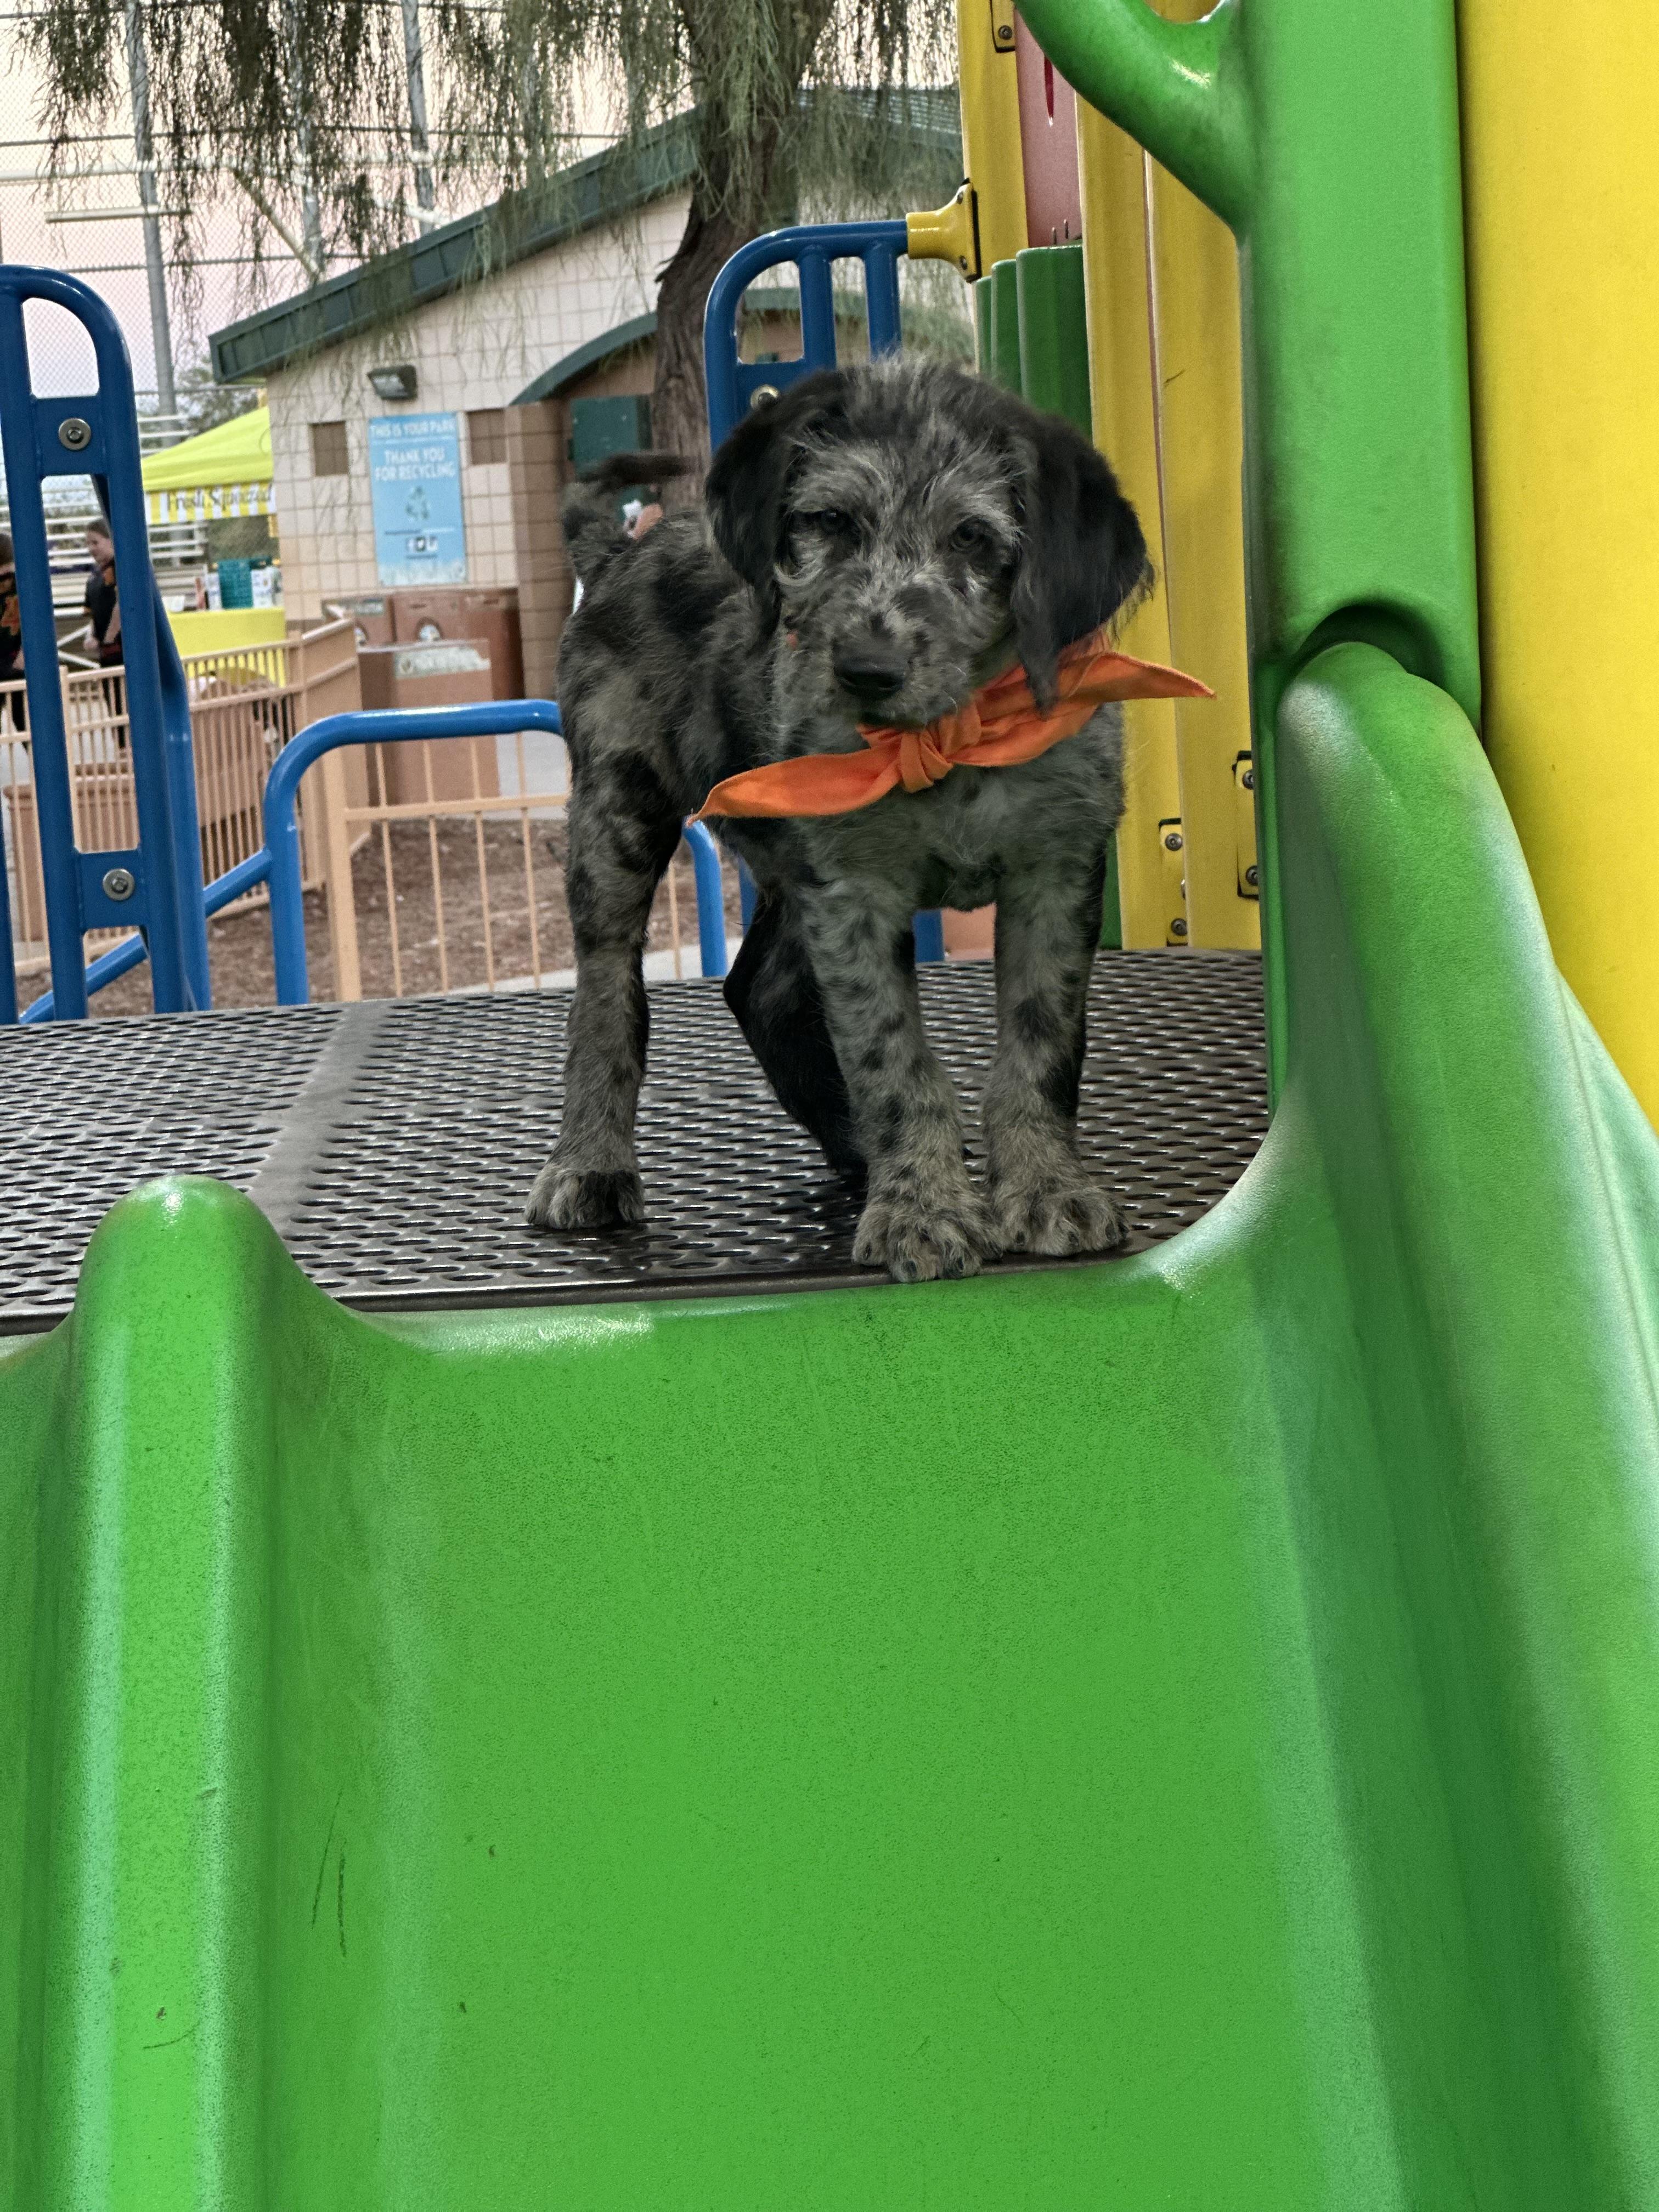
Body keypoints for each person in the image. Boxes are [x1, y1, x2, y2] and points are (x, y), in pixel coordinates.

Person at [83, 521, 122, 668]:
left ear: (111, 540)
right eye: (88, 544)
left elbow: (122, 604)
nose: (91, 548)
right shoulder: (94, 576)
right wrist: (91, 635)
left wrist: (109, 638)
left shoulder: (121, 567)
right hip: (106, 654)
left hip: (123, 651)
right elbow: (94, 613)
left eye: (95, 542)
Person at [0, 531, 24, 730]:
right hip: (11, 657)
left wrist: (26, 653)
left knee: (24, 719)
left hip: (17, 657)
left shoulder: (23, 581)